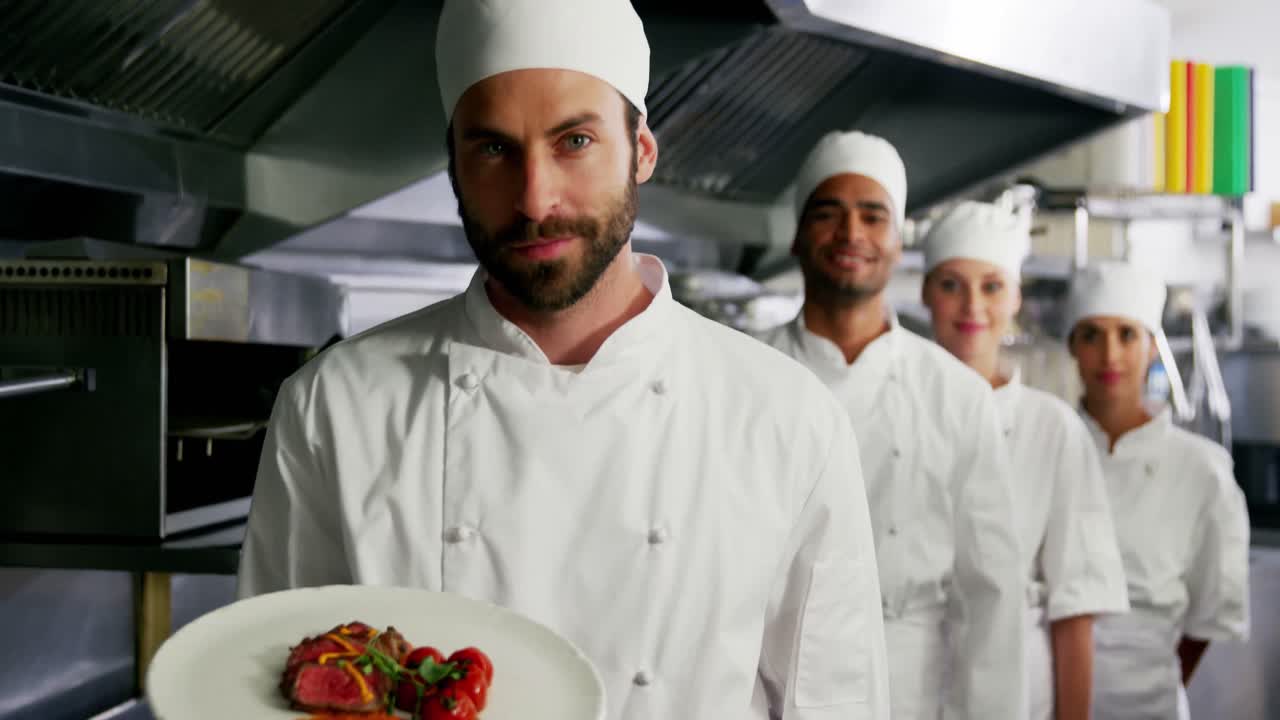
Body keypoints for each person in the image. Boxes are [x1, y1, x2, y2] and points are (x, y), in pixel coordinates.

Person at [236, 1, 891, 718]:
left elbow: (836, 704)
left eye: (574, 141)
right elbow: (269, 696)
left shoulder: (788, 420)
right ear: (453, 164)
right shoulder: (333, 409)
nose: (535, 198)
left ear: (642, 150)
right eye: (494, 149)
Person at [760, 131, 1025, 720]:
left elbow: (993, 593)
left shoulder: (957, 396)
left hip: (909, 688)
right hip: (764, 678)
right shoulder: (746, 372)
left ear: (898, 242)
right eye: (828, 213)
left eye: (872, 216)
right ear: (798, 236)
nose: (851, 232)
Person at [920, 201, 1130, 720]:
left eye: (991, 286)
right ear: (925, 293)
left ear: (1015, 297)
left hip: (1016, 693)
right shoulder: (897, 409)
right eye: (951, 285)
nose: (972, 306)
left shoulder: (1052, 428)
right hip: (905, 687)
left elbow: (1075, 607)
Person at [1063, 261, 1250, 720]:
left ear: (1152, 347)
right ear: (1072, 346)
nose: (1109, 355)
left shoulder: (1202, 469)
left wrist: (1148, 677)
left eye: (1127, 335)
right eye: (1092, 335)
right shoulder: (1047, 446)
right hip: (1046, 700)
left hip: (1151, 703)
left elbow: (1211, 612)